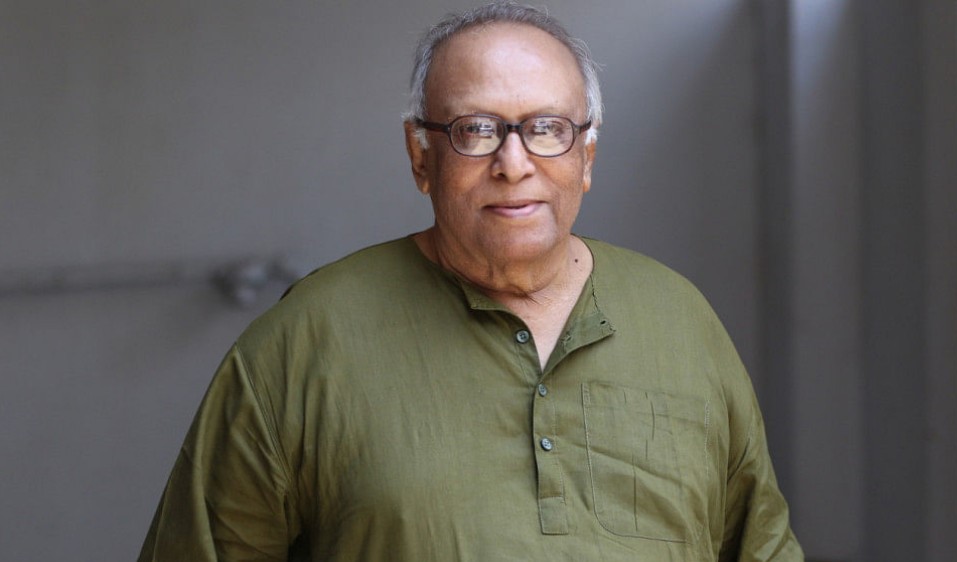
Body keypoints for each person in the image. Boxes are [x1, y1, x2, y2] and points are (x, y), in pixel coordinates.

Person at [139, 2, 803, 560]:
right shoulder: (305, 342)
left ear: (586, 156)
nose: (513, 163)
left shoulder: (680, 319)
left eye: (547, 128)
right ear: (420, 156)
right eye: (476, 130)